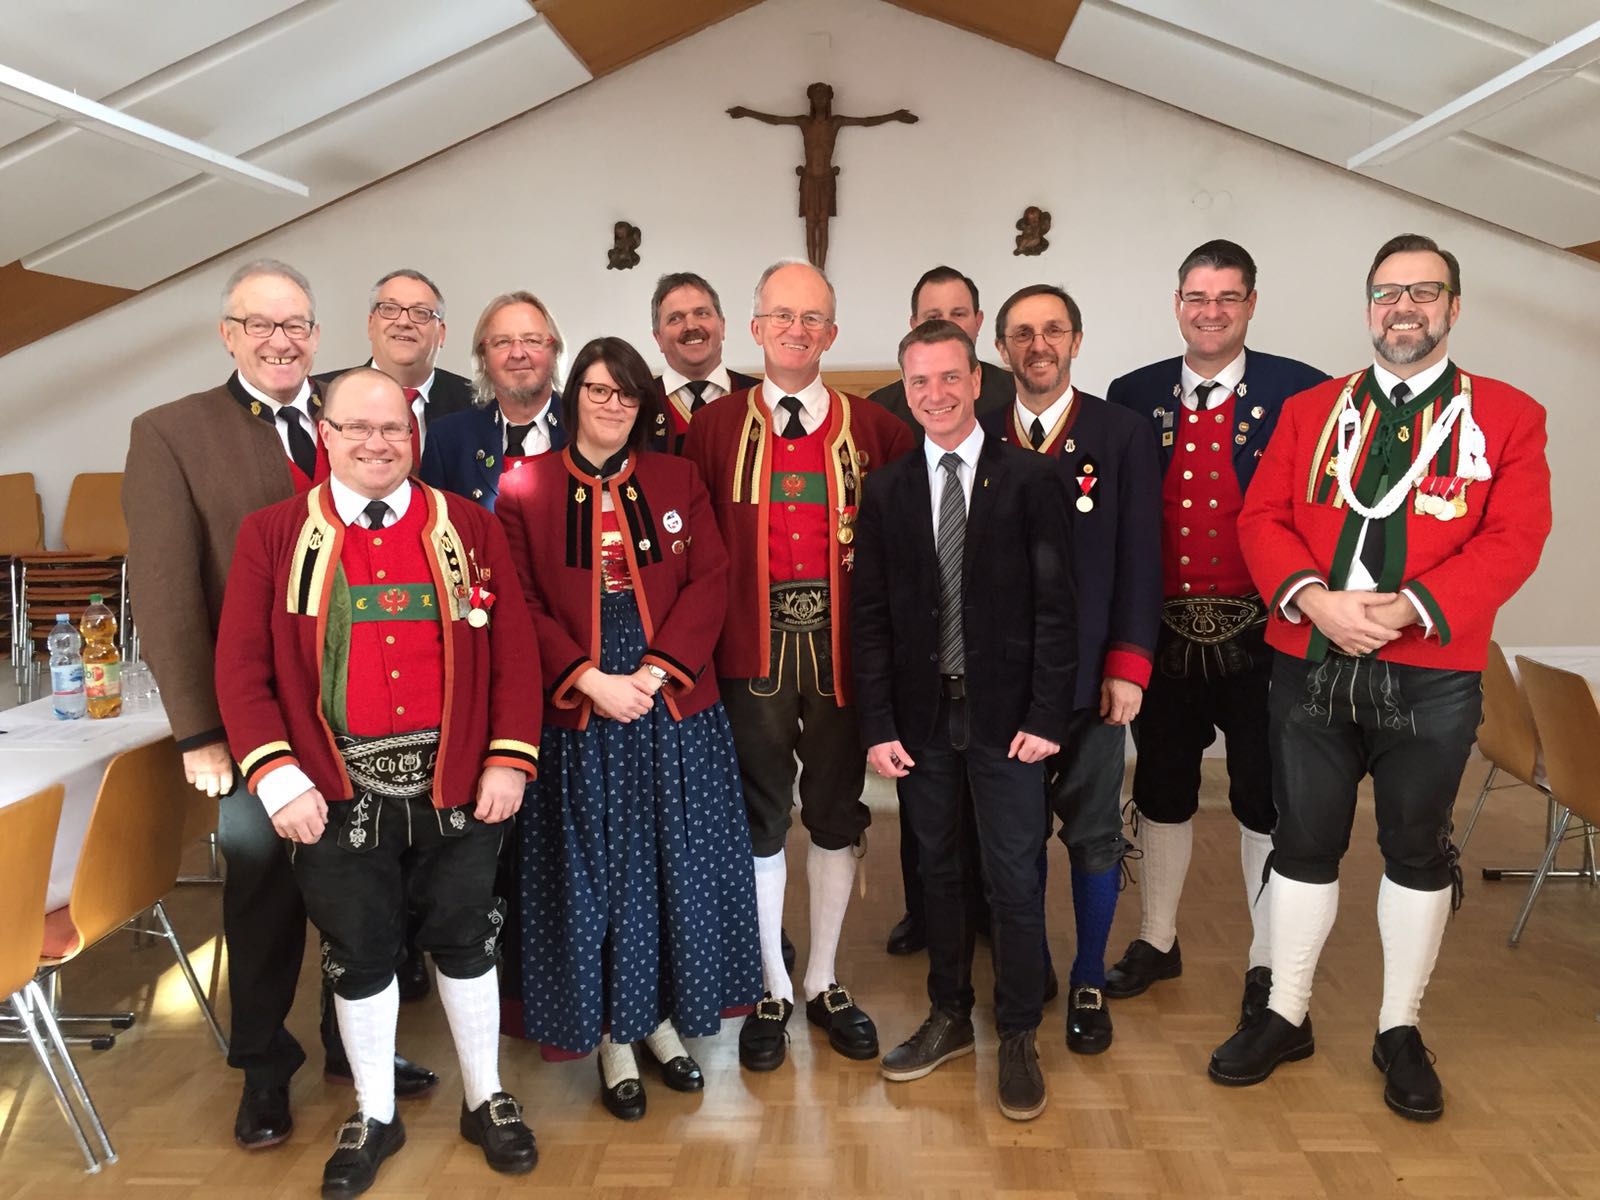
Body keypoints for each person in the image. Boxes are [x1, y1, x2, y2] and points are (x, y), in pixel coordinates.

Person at [1208, 234, 1551, 1123]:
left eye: (1423, 292)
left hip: (1432, 673)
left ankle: (1399, 1027)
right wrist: (1314, 600)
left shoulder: (1510, 415)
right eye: (1388, 293)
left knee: (1416, 849)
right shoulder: (1312, 410)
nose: (1404, 307)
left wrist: (1406, 609)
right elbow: (1263, 517)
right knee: (1302, 844)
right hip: (1309, 660)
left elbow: (1515, 539)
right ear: (1368, 308)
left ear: (1453, 307)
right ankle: (1284, 1012)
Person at [123, 259, 434, 1152]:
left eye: (295, 324)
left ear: (318, 334)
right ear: (229, 335)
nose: (279, 341)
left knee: (366, 892)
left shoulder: (357, 417)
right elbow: (169, 595)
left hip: (363, 716)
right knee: (262, 897)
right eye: (259, 325)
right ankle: (264, 1070)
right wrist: (198, 730)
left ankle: (353, 1048)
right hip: (249, 723)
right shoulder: (173, 432)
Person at [215, 367, 543, 1194]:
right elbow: (241, 671)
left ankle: (487, 1097)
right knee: (357, 953)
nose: (376, 444)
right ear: (323, 433)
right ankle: (375, 1112)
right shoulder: (273, 533)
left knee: (469, 940)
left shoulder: (468, 526)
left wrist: (509, 756)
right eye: (357, 428)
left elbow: (514, 655)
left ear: (415, 436)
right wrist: (278, 776)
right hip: (329, 792)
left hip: (461, 783)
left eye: (393, 429)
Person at [496, 336, 761, 1121]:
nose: (611, 405)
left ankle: (666, 1027)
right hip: (580, 709)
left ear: (645, 404)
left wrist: (650, 675)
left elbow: (712, 578)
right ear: (572, 394)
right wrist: (589, 680)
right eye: (597, 390)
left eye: (625, 394)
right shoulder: (525, 486)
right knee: (601, 881)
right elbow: (518, 604)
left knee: (675, 871)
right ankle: (614, 1034)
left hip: (671, 705)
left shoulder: (679, 476)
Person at [682, 259, 915, 1073]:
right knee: (758, 813)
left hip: (844, 656)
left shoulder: (878, 431)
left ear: (833, 333)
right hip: (749, 654)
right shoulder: (709, 432)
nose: (796, 330)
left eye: (812, 318)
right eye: (781, 316)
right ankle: (771, 983)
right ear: (755, 329)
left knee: (837, 809)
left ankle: (822, 979)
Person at [854, 319, 1074, 1121]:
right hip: (920, 723)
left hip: (1011, 721)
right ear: (905, 391)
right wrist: (878, 722)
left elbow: (1059, 608)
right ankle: (949, 1012)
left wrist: (1049, 713)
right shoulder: (889, 490)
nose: (936, 395)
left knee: (1015, 877)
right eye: (919, 382)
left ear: (978, 380)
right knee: (937, 871)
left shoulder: (1031, 480)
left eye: (950, 378)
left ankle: (1016, 1028)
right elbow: (871, 618)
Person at [1103, 241, 1328, 1026]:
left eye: (1227, 298)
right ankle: (1158, 940)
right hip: (1160, 634)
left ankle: (1266, 961)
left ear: (1251, 304)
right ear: (1177, 303)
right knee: (1161, 789)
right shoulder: (1130, 394)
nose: (1211, 311)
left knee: (1263, 797)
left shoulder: (1301, 391)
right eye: (1197, 297)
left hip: (1267, 636)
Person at [985, 283, 1163, 1054]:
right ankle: (1033, 967)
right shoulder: (978, 435)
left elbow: (1140, 559)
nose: (1038, 345)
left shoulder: (1121, 434)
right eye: (1022, 333)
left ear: (1077, 342)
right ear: (1002, 350)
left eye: (1053, 330)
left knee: (1092, 835)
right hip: (1002, 691)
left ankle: (1091, 974)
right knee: (1014, 844)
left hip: (1094, 683)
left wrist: (1128, 665)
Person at [420, 291, 568, 509]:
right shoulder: (448, 439)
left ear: (554, 352)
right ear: (483, 357)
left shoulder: (584, 427)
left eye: (532, 340)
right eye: (502, 342)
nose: (517, 353)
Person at [314, 268, 474, 463]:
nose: (403, 321)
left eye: (420, 313)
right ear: (371, 325)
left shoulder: (475, 404)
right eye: (389, 309)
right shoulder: (321, 394)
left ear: (441, 333)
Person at [868, 266, 1015, 436]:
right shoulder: (881, 411)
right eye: (933, 317)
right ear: (914, 325)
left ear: (978, 321)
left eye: (958, 314)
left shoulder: (1016, 397)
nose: (947, 326)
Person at [648, 272, 761, 455]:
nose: (691, 326)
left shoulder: (762, 399)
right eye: (675, 318)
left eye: (702, 313)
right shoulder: (636, 404)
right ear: (658, 338)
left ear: (722, 326)